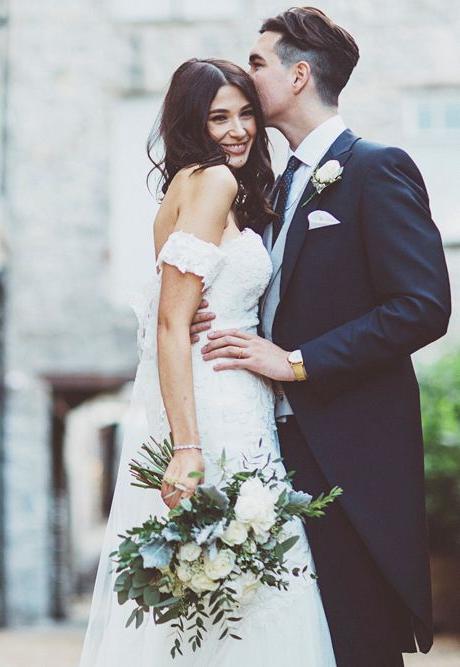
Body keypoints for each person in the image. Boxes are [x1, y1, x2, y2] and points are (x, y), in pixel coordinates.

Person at [192, 8, 451, 666]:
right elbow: (276, 297)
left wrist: (298, 362)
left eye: (256, 63)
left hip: (344, 453)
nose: (245, 76)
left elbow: (421, 306)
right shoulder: (274, 187)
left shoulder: (373, 168)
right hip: (266, 444)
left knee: (356, 639)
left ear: (298, 74)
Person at [79, 58, 336, 666]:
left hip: (230, 397)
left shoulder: (188, 188)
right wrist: (188, 447)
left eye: (246, 113)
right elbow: (171, 322)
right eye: (219, 117)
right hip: (217, 413)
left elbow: (166, 312)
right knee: (246, 589)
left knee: (224, 592)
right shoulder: (213, 181)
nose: (238, 129)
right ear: (191, 123)